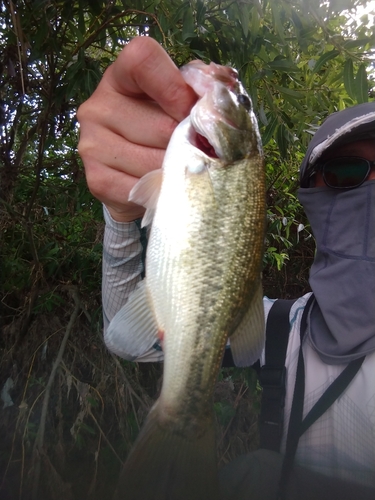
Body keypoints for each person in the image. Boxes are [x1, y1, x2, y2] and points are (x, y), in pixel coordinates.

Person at [77, 36, 375, 498]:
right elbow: (127, 336)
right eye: (348, 174)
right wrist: (120, 216)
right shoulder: (282, 330)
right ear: (314, 192)